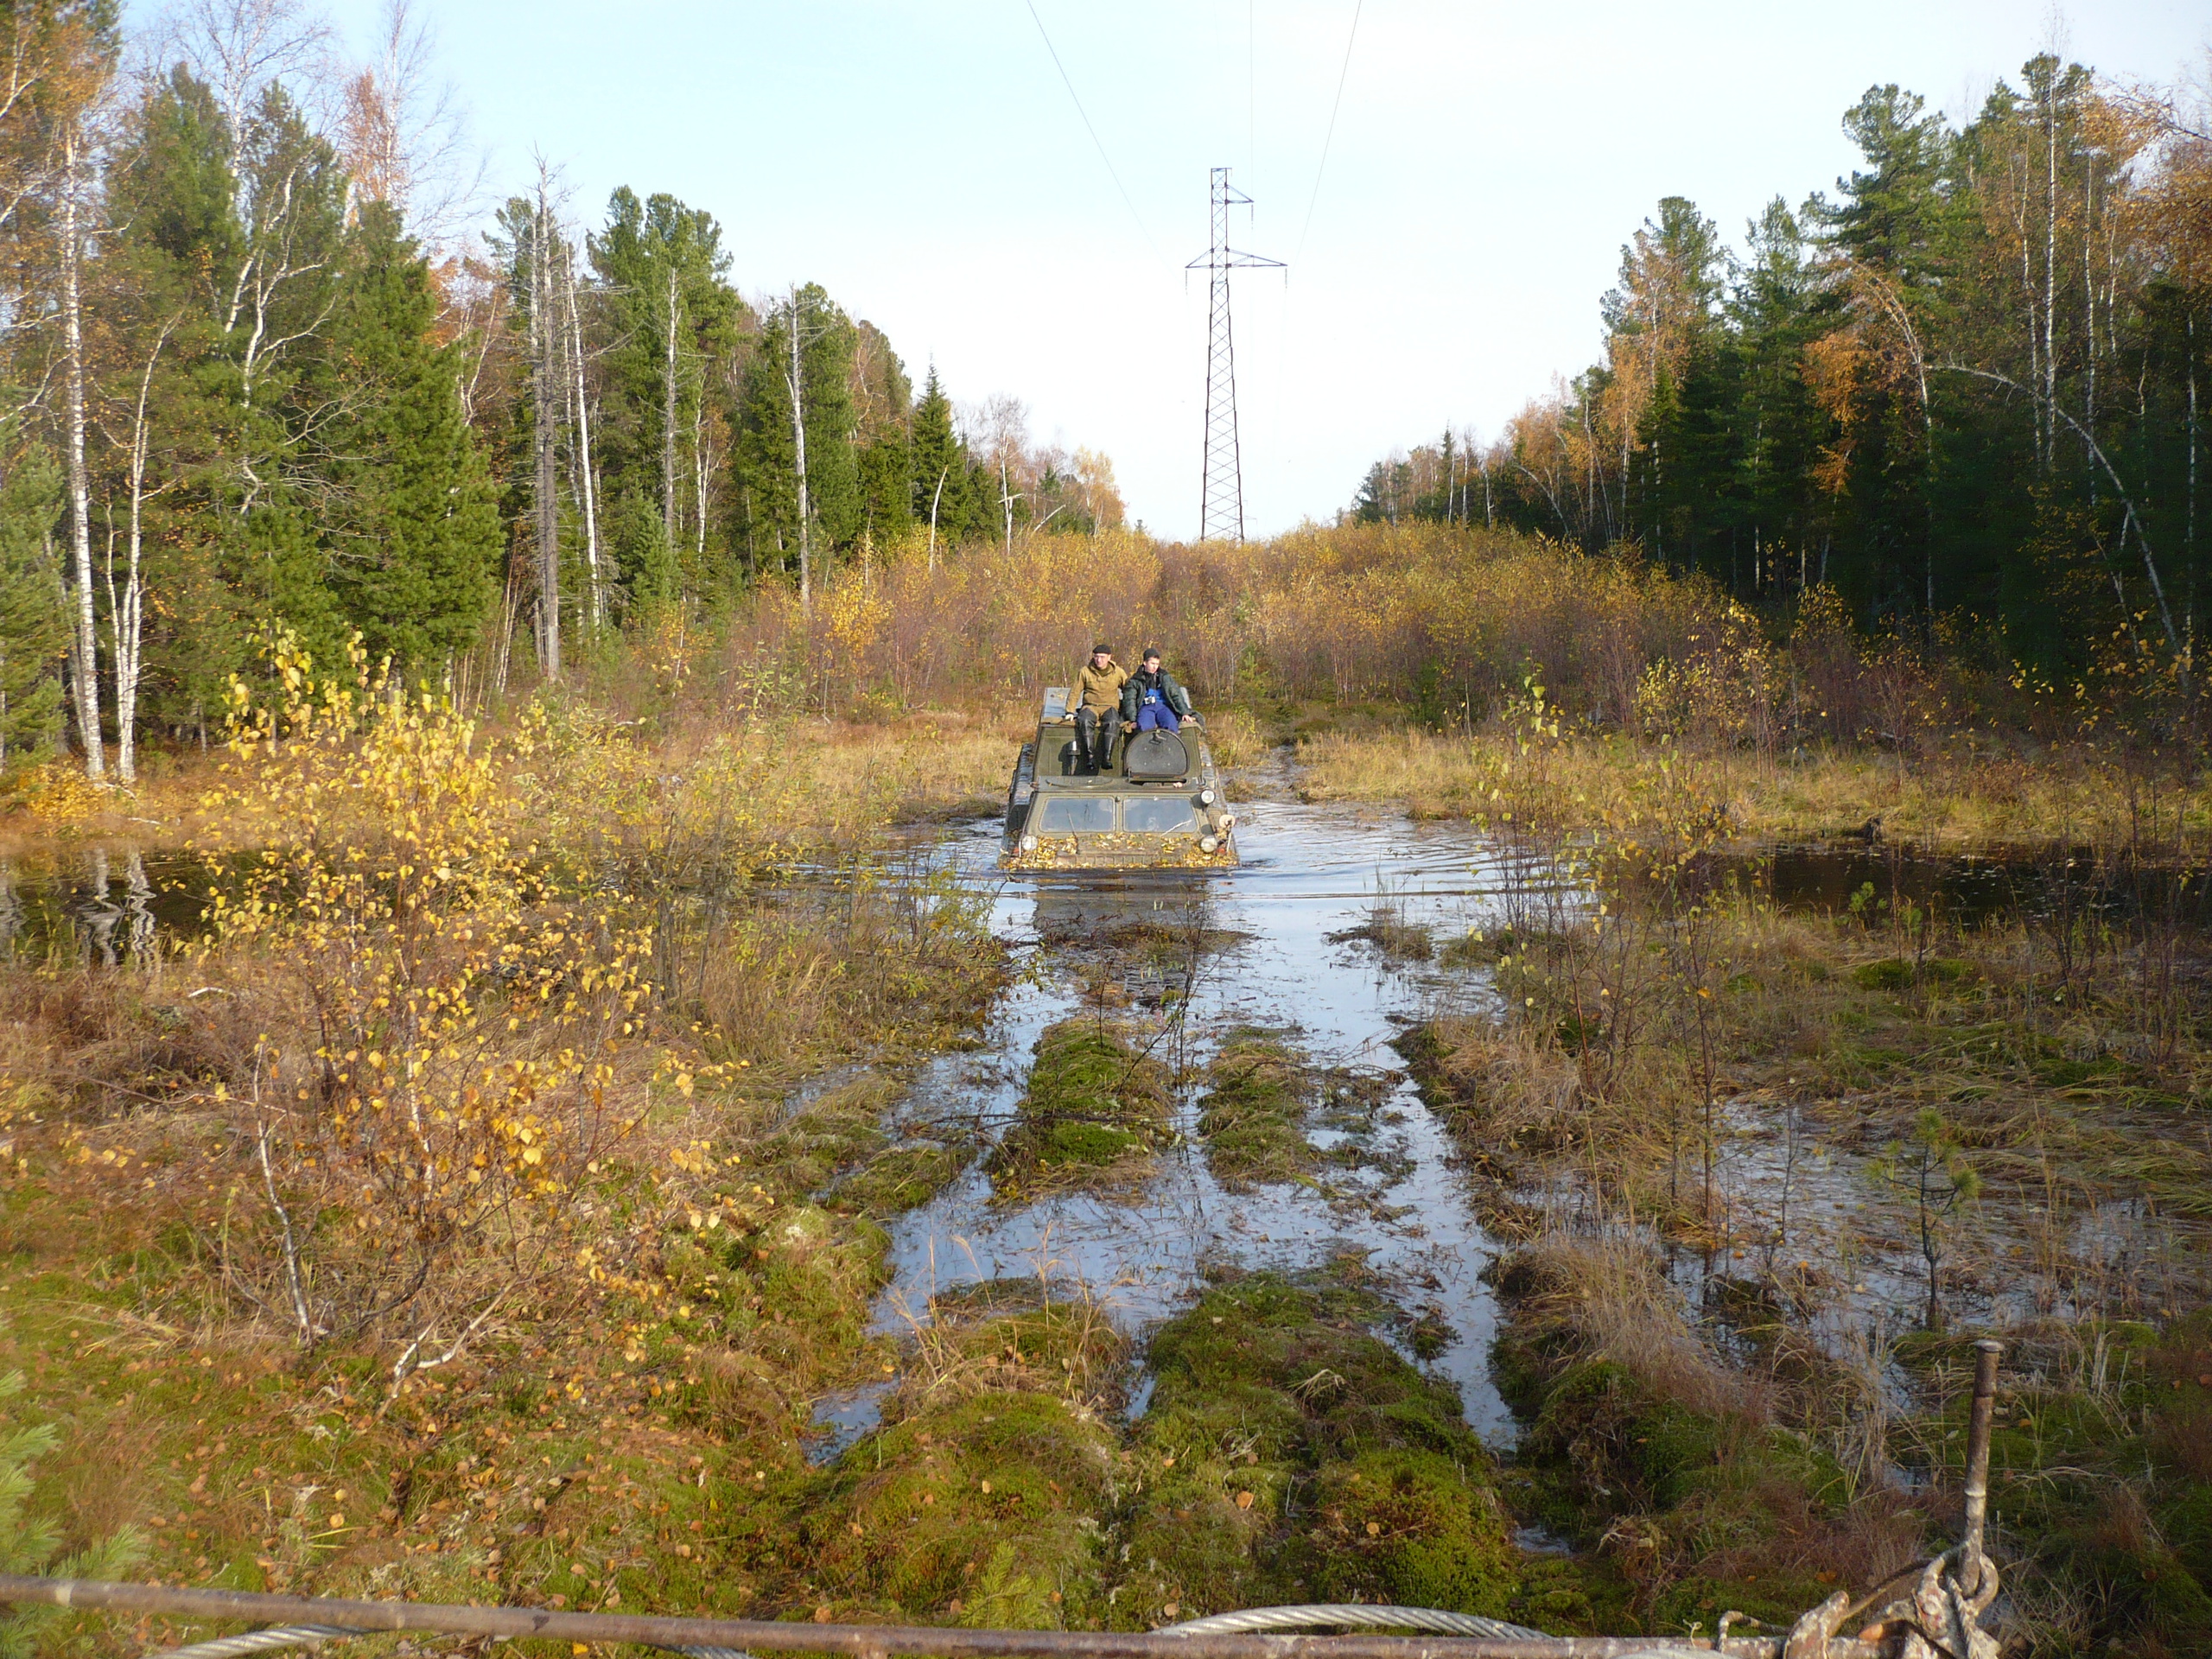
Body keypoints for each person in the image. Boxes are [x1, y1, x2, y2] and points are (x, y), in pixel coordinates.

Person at [1068, 644, 1127, 774]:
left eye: (1102, 657)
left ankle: (1107, 757)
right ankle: (1090, 756)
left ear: (1109, 657)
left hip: (1110, 707)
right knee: (1084, 721)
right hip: (1091, 706)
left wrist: (1129, 711)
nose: (1099, 660)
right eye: (1096, 657)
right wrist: (1070, 711)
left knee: (1113, 722)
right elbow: (1075, 692)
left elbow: (1128, 691)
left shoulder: (1118, 672)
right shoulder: (1085, 671)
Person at [1119, 647, 1196, 735]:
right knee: (1144, 727)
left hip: (1163, 706)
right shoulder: (1136, 680)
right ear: (1145, 663)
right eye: (1152, 663)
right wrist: (1132, 719)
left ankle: (1169, 748)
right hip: (1145, 707)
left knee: (1171, 725)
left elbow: (1176, 695)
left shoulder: (1165, 677)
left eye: (1157, 664)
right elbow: (1130, 701)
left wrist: (1184, 713)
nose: (1155, 667)